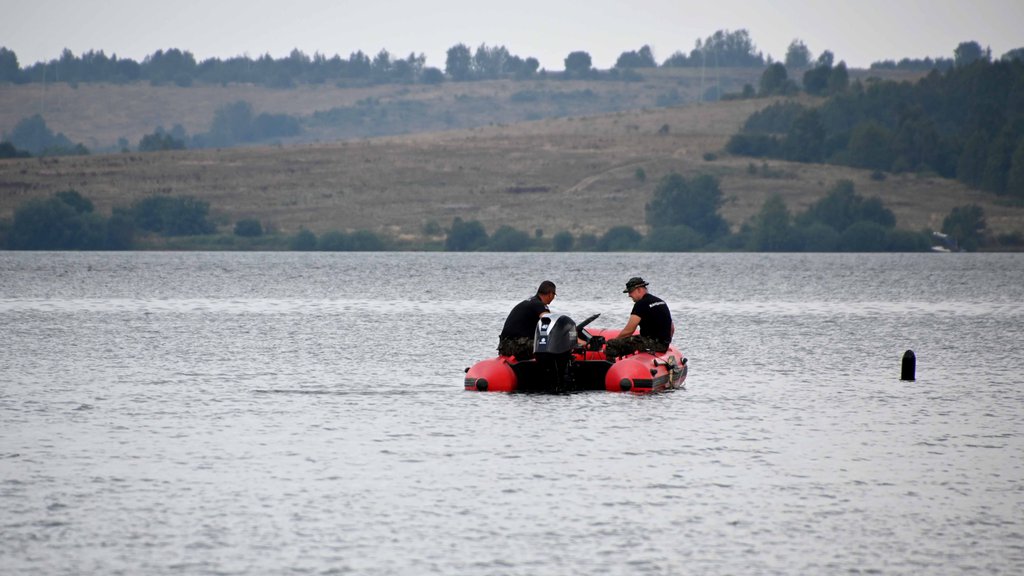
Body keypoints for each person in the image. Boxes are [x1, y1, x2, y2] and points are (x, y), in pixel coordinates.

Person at [604, 276, 674, 360]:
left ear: (639, 289)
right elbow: (672, 328)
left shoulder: (641, 304)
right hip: (663, 345)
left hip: (651, 344)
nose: (629, 295)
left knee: (611, 345)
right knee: (635, 340)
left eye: (630, 292)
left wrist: (615, 342)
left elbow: (629, 330)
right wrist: (665, 344)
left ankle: (610, 369)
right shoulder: (661, 302)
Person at [498, 280, 557, 360]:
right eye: (554, 295)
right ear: (550, 294)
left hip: (503, 346)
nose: (553, 298)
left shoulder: (530, 302)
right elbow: (548, 322)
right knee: (552, 345)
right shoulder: (539, 305)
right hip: (514, 347)